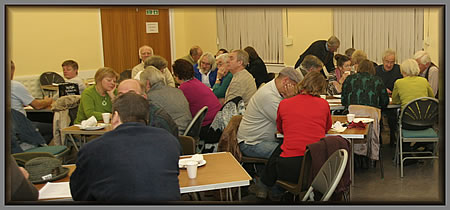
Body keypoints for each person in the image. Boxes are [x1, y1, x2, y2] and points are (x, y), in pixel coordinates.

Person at [70, 92, 181, 202]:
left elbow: (79, 194)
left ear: (116, 116)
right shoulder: (169, 141)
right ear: (147, 117)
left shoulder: (92, 149)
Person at [255, 71, 332, 199]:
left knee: (283, 146)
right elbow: (327, 127)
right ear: (321, 89)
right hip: (315, 167)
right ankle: (272, 188)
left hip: (289, 167)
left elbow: (281, 129)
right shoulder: (324, 104)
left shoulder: (284, 103)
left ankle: (269, 187)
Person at [237, 67, 302, 159]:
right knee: (291, 153)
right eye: (295, 86)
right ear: (286, 81)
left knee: (297, 148)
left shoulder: (278, 92)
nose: (296, 91)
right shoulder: (268, 96)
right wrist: (291, 99)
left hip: (266, 139)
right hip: (252, 143)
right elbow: (290, 123)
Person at [172, 59, 222, 139]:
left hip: (206, 126)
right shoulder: (196, 82)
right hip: (216, 121)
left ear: (176, 74)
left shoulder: (184, 88)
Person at [138, 66, 191, 135]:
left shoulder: (150, 97)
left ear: (147, 83)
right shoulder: (177, 91)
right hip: (188, 129)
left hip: (173, 134)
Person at [10, 61, 54, 143]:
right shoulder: (14, 85)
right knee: (53, 128)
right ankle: (37, 151)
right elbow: (37, 106)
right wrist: (48, 101)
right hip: (19, 126)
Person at [375, 49, 403, 146]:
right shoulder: (377, 70)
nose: (389, 65)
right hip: (380, 100)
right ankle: (378, 139)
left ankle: (393, 138)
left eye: (392, 62)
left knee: (393, 117)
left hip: (394, 100)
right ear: (383, 60)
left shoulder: (398, 69)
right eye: (387, 62)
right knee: (377, 115)